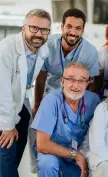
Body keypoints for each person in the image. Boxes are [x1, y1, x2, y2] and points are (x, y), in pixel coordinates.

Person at [0, 9, 51, 177]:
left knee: (14, 158)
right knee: (6, 161)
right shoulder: (7, 48)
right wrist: (8, 126)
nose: (39, 34)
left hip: (20, 106)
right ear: (24, 28)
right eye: (34, 28)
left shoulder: (42, 51)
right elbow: (3, 89)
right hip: (3, 110)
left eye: (44, 30)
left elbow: (26, 85)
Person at [30, 62, 100, 177]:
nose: (76, 85)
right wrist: (75, 155)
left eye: (82, 80)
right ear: (62, 81)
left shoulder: (94, 101)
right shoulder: (51, 101)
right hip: (53, 153)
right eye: (71, 79)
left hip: (80, 156)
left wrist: (81, 156)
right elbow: (42, 145)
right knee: (46, 162)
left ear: (87, 83)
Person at [33, 8, 99, 116]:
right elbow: (40, 78)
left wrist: (84, 109)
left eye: (78, 28)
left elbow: (91, 84)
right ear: (62, 26)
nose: (73, 32)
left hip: (75, 101)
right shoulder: (47, 45)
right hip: (49, 96)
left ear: (83, 30)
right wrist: (37, 105)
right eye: (69, 26)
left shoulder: (90, 52)